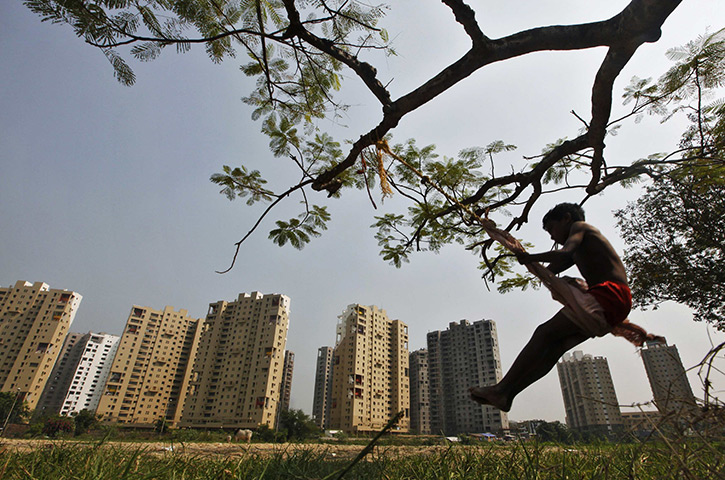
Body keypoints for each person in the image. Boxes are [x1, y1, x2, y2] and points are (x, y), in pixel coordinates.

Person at [469, 203, 634, 412]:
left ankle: (501, 389)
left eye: (552, 229)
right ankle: (507, 394)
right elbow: (552, 269)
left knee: (544, 333)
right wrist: (520, 254)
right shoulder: (579, 249)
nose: (552, 237)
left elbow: (564, 254)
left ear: (566, 218)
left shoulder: (580, 227)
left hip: (609, 295)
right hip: (614, 304)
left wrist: (530, 257)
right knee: (553, 348)